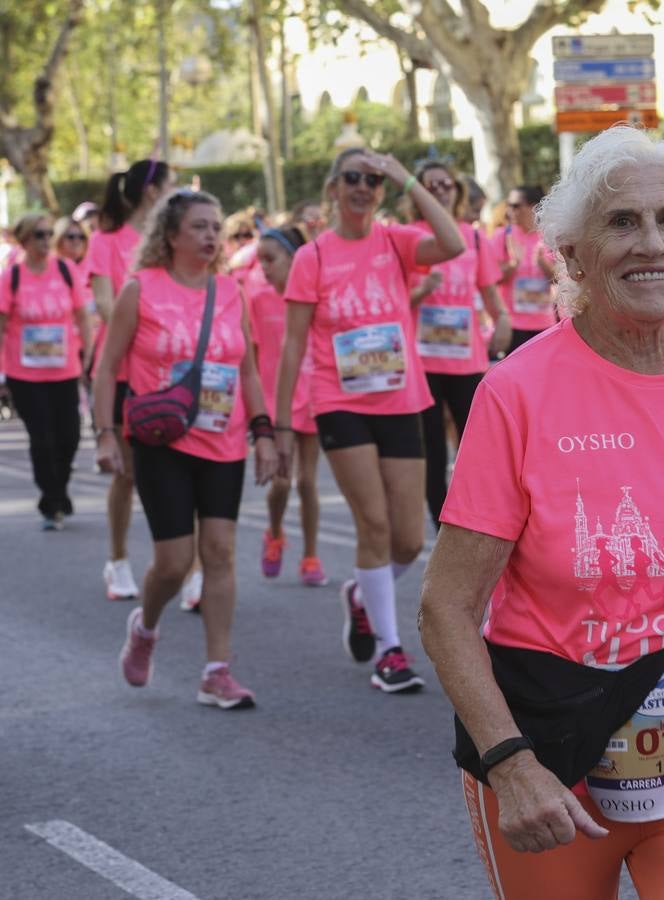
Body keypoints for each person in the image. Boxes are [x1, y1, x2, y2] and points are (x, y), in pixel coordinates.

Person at [420, 124, 664, 900]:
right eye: (622, 222)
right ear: (573, 253)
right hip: (553, 758)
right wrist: (508, 762)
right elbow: (446, 607)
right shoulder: (515, 394)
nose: (651, 242)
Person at [274, 148, 464, 694]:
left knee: (407, 539)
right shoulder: (312, 257)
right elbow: (291, 346)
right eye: (352, 178)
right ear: (334, 187)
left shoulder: (395, 242)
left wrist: (407, 178)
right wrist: (284, 427)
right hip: (340, 401)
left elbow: (451, 242)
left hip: (402, 400)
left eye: (373, 181)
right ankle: (389, 650)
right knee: (373, 525)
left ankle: (362, 594)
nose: (363, 187)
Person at [93, 188, 279, 709]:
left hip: (223, 439)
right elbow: (108, 367)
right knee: (174, 563)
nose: (211, 236)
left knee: (218, 552)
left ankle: (216, 671)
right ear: (170, 235)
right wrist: (106, 433)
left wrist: (263, 432)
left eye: (215, 226)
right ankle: (146, 626)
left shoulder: (229, 291)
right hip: (162, 439)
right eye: (199, 226)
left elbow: (245, 366)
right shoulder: (141, 289)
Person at [406, 159, 511, 522]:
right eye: (431, 186)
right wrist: (422, 291)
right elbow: (396, 307)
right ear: (418, 193)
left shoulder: (474, 237)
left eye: (445, 185)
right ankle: (440, 531)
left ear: (457, 189)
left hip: (466, 358)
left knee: (476, 447)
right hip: (422, 361)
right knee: (432, 449)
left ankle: (477, 520)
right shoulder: (411, 236)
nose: (439, 191)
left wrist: (503, 319)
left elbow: (489, 291)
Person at [90, 159, 175, 600]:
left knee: (186, 469)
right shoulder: (106, 242)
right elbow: (105, 303)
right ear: (151, 193)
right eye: (172, 186)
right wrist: (143, 335)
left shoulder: (169, 242)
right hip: (124, 369)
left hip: (168, 370)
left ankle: (193, 568)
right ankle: (118, 560)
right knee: (127, 473)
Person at [0, 213, 93, 529]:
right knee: (42, 438)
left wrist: (88, 356)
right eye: (39, 234)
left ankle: (58, 490)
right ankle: (53, 501)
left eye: (48, 234)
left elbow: (82, 316)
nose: (45, 240)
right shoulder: (11, 277)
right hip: (24, 373)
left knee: (69, 435)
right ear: (25, 239)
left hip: (64, 369)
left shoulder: (65, 271)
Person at [247, 225, 327, 586]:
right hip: (276, 403)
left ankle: (311, 555)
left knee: (307, 482)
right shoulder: (258, 299)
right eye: (259, 260)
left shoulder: (315, 297)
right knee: (280, 483)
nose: (264, 267)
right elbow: (249, 358)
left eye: (271, 259)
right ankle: (275, 534)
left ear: (294, 259)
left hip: (313, 398)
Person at [493, 185, 556, 353]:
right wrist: (514, 263)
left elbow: (561, 279)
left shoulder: (550, 236)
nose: (509, 210)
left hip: (544, 324)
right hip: (514, 324)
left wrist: (543, 264)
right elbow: (491, 280)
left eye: (515, 206)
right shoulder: (502, 235)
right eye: (508, 205)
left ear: (534, 207)